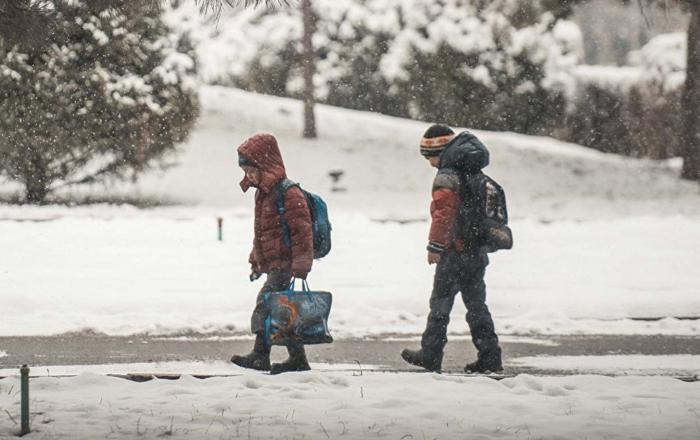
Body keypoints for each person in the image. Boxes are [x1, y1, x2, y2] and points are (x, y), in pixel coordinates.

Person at [401, 124, 506, 374]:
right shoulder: (474, 170)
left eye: (429, 157)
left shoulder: (447, 175)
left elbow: (444, 215)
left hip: (454, 251)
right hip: (476, 250)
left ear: (439, 151)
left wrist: (435, 246)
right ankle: (490, 356)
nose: (429, 163)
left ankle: (430, 354)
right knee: (477, 307)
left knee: (440, 305)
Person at [231, 133, 314, 375]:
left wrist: (301, 264)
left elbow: (302, 232)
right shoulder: (263, 193)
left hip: (286, 264)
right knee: (281, 310)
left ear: (265, 166)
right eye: (245, 172)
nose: (248, 176)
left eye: (251, 171)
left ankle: (261, 354)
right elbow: (263, 233)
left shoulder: (289, 194)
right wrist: (257, 260)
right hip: (276, 263)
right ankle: (295, 358)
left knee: (267, 305)